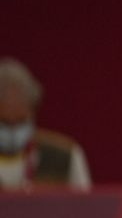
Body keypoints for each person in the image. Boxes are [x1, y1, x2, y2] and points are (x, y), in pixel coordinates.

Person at [0, 58, 91, 193]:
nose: (13, 130)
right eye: (5, 122)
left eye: (21, 121)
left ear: (33, 112)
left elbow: (87, 209)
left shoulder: (65, 155)